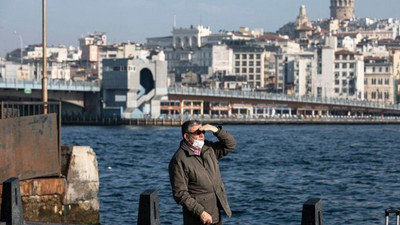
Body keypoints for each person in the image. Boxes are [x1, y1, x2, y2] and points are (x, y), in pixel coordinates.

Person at [169, 120, 237, 225]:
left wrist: (215, 130)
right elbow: (180, 193)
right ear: (186, 137)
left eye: (203, 132)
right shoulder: (179, 160)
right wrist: (201, 212)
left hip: (215, 214)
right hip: (198, 218)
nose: (202, 135)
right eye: (197, 133)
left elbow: (231, 144)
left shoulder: (209, 149)